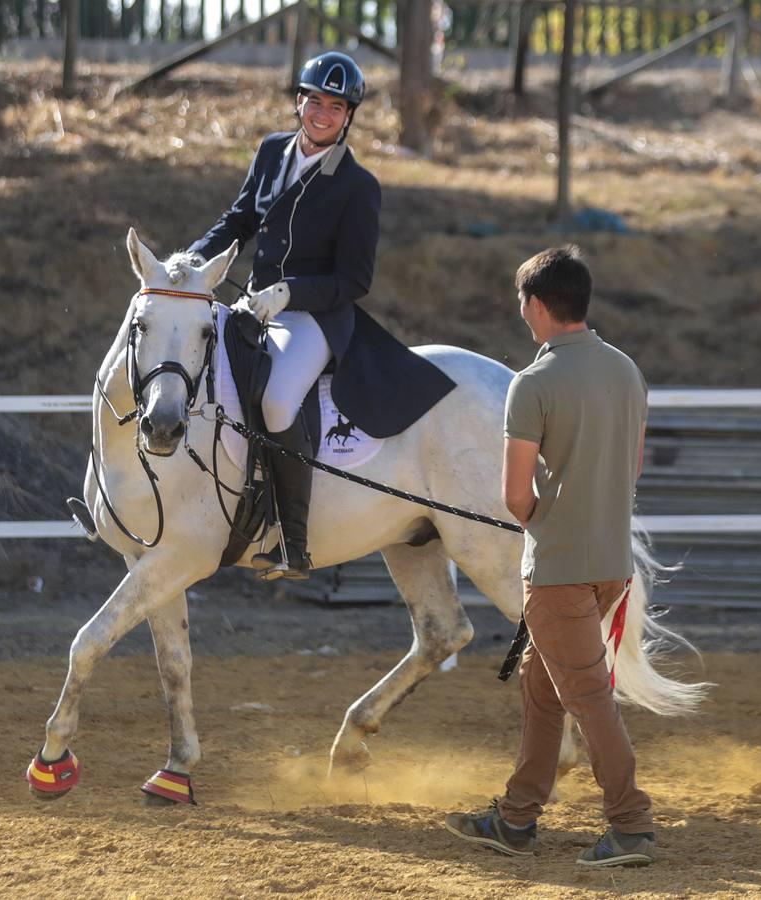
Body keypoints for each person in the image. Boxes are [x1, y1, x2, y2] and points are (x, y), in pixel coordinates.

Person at [187, 51, 452, 580]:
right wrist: (190, 263)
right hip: (256, 304)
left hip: (313, 318)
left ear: (348, 115)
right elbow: (239, 219)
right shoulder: (269, 153)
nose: (322, 114)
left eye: (336, 106)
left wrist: (288, 293)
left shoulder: (358, 187)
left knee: (278, 401)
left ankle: (294, 540)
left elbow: (354, 281)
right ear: (298, 103)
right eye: (314, 101)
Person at [443, 246, 656, 868]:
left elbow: (515, 495)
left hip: (559, 569)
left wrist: (545, 524)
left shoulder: (532, 384)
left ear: (537, 305)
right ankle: (515, 820)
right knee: (544, 689)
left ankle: (632, 825)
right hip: (613, 563)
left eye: (522, 305)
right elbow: (632, 469)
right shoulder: (626, 371)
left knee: (588, 697)